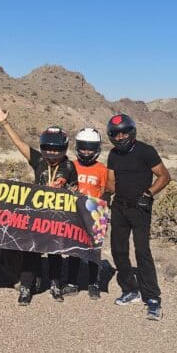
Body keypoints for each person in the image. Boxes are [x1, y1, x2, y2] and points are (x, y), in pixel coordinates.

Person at [0, 105, 78, 305]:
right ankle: (25, 287)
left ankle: (55, 285)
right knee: (31, 251)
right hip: (36, 215)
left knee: (55, 251)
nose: (51, 152)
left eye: (56, 149)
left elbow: (75, 191)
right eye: (48, 148)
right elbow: (19, 144)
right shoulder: (38, 160)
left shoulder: (70, 166)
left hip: (57, 216)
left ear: (63, 148)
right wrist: (4, 123)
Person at [106, 114, 171, 321]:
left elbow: (164, 176)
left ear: (132, 132)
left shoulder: (146, 151)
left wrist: (148, 194)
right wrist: (101, 197)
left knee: (142, 251)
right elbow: (110, 182)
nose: (120, 137)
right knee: (118, 250)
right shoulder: (113, 155)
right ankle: (130, 290)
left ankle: (152, 298)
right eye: (115, 134)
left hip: (140, 208)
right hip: (119, 208)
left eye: (124, 132)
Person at [66, 127, 109, 300]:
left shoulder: (101, 169)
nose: (86, 151)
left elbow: (104, 191)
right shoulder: (71, 165)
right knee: (74, 249)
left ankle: (94, 282)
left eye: (90, 148)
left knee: (94, 250)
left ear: (97, 149)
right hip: (74, 213)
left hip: (94, 216)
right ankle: (71, 282)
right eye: (83, 147)